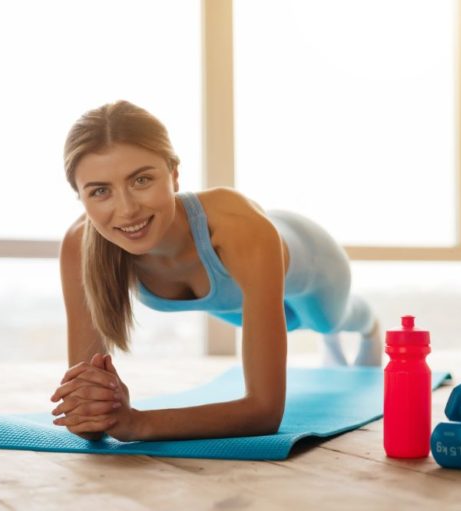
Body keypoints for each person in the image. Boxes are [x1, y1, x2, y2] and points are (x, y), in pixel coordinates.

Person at [49, 100, 382, 442]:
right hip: (234, 301)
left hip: (313, 261)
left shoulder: (239, 229)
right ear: (81, 197)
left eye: (142, 180)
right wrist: (94, 410)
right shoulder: (81, 244)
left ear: (174, 175)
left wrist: (137, 422)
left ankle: (370, 325)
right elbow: (87, 409)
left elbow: (264, 411)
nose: (127, 209)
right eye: (100, 191)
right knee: (288, 321)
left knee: (324, 320)